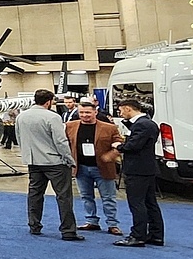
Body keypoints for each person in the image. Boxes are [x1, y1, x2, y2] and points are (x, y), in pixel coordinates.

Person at [19, 88, 82, 241]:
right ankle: (68, 231)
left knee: (34, 194)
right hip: (55, 162)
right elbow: (60, 141)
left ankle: (34, 225)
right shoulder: (53, 117)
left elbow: (19, 138)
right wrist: (69, 159)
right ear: (48, 102)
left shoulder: (22, 116)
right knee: (64, 196)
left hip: (33, 161)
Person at [66, 97, 124, 236]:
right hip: (81, 167)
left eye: (88, 113)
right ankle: (91, 221)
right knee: (86, 196)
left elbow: (120, 144)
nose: (85, 115)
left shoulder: (109, 128)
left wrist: (111, 155)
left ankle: (112, 224)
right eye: (82, 113)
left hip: (102, 167)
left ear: (95, 112)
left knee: (108, 197)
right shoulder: (70, 126)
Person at [113, 97, 164, 247]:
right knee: (150, 203)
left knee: (137, 203)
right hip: (147, 168)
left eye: (121, 110)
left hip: (137, 169)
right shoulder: (147, 123)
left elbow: (133, 146)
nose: (120, 113)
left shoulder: (142, 125)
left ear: (128, 108)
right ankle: (156, 235)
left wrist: (119, 146)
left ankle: (138, 235)